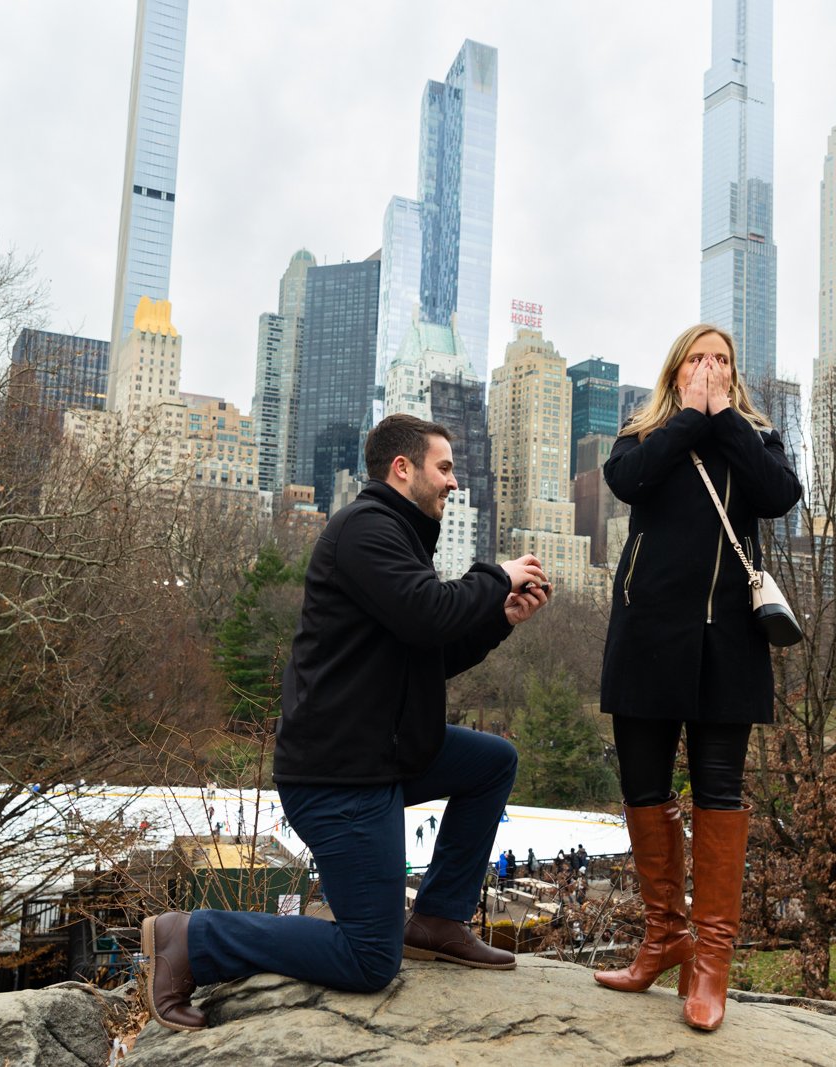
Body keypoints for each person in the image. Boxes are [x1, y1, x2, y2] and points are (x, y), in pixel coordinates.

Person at [139, 414, 552, 1032]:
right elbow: (427, 614)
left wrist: (500, 619)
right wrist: (495, 577)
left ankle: (438, 918)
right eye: (444, 468)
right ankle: (191, 939)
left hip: (380, 756)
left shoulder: (400, 537)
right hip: (339, 776)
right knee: (369, 958)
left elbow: (426, 652)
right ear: (402, 468)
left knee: (493, 762)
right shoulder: (365, 530)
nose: (453, 483)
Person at [592, 324, 800, 1032]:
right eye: (698, 359)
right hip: (648, 635)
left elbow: (778, 496)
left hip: (728, 644)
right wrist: (687, 420)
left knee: (719, 794)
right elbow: (629, 483)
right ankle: (663, 935)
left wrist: (725, 422)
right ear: (676, 371)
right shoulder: (643, 433)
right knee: (643, 789)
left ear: (735, 375)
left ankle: (710, 960)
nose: (711, 368)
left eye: (723, 360)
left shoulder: (757, 439)